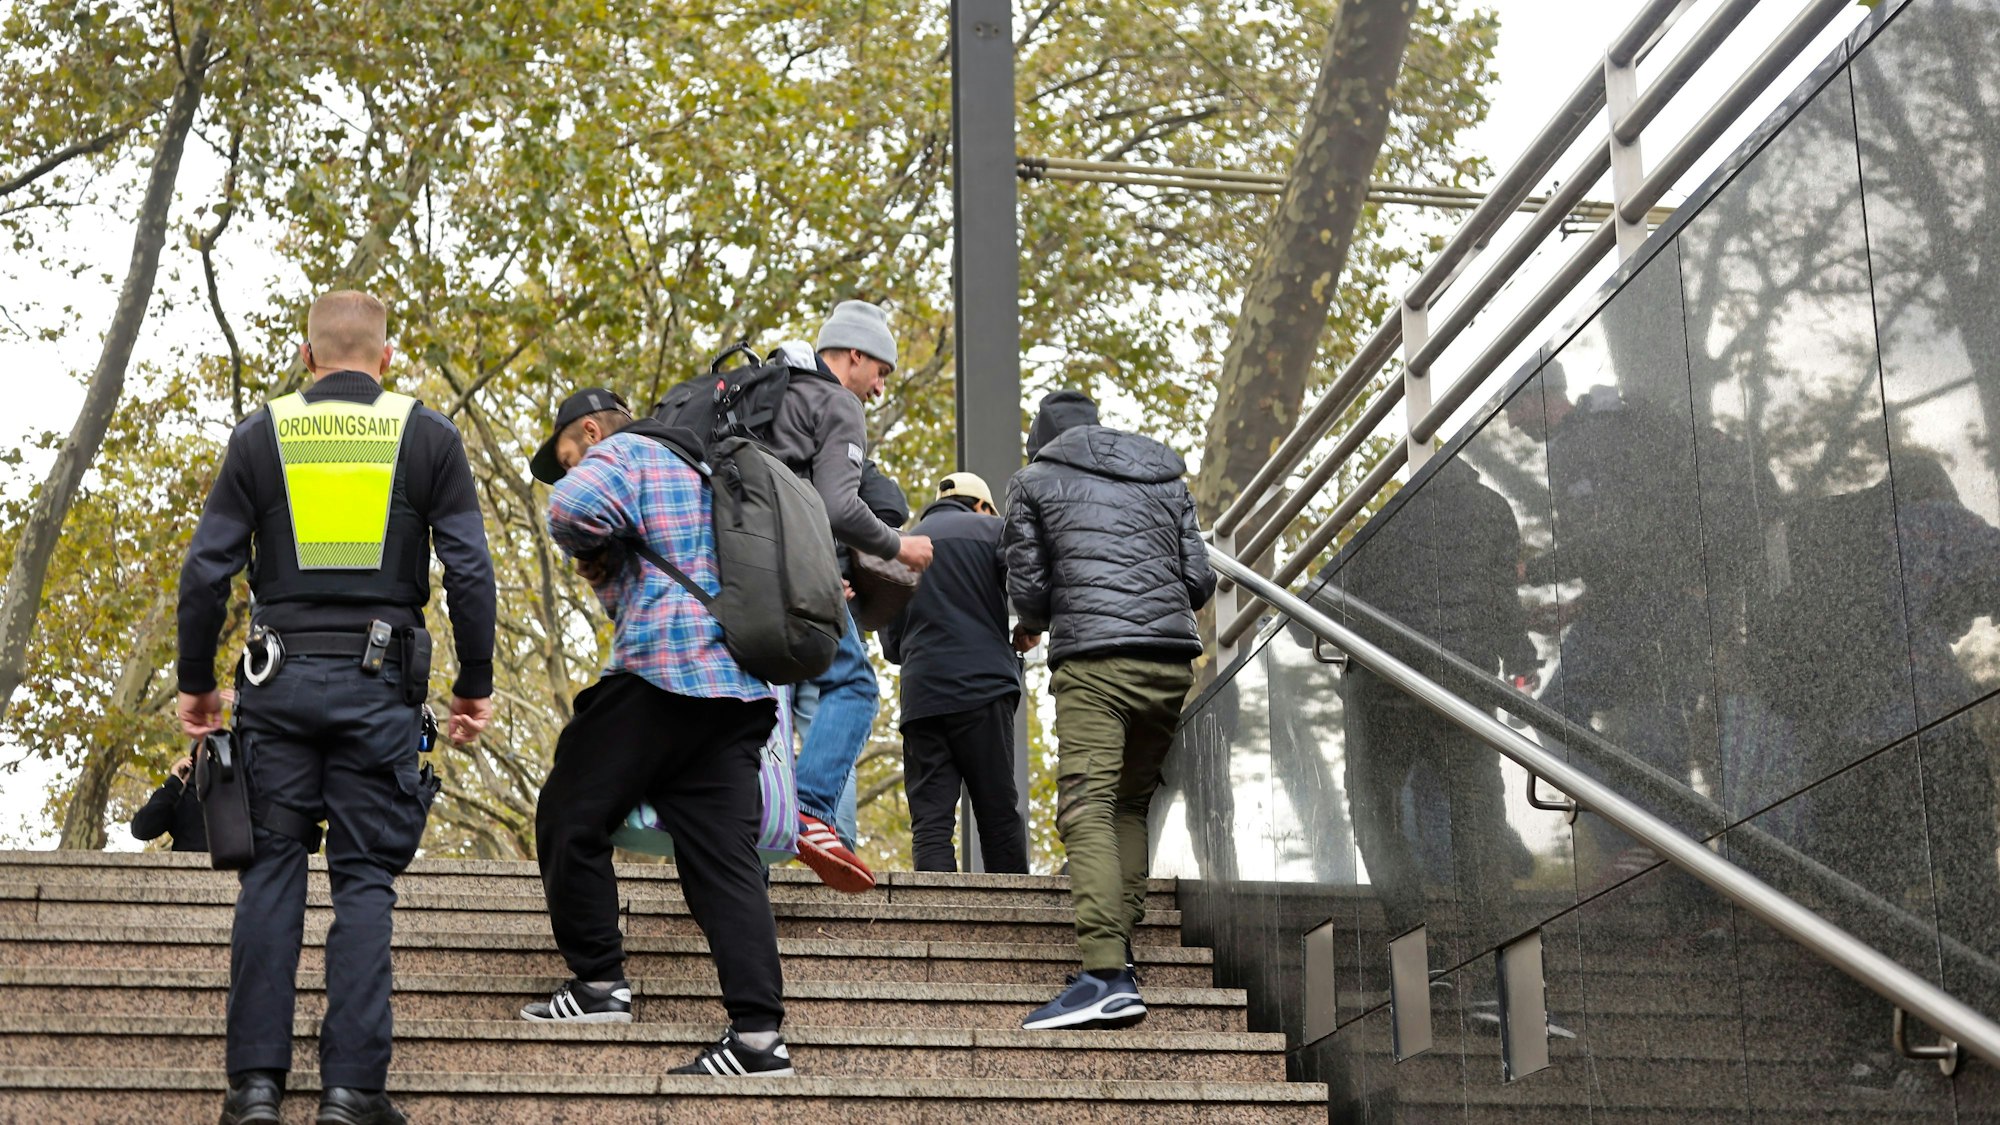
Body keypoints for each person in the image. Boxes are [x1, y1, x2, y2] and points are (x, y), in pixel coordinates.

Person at [177, 290, 496, 1125]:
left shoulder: (261, 432)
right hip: (381, 689)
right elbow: (469, 570)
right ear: (384, 358)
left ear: (308, 355)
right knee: (363, 883)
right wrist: (475, 682)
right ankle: (352, 1093)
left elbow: (206, 570)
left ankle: (253, 1090)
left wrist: (196, 682)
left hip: (275, 684)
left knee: (270, 874)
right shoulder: (426, 434)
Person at [520, 388, 793, 1078]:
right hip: (737, 690)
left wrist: (593, 542)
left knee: (568, 812)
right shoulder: (707, 470)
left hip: (663, 669)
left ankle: (599, 983)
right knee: (725, 862)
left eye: (566, 454)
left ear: (586, 429)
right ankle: (759, 1038)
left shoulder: (626, 450)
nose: (571, 467)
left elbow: (572, 508)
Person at [1002, 390, 1215, 1030]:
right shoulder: (1164, 480)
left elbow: (1029, 589)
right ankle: (1118, 951)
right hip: (1171, 658)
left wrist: (1038, 621)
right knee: (1127, 804)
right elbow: (1200, 580)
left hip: (1096, 661)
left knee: (1087, 804)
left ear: (1041, 436)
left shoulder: (1032, 481)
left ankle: (1104, 974)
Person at [764, 306, 933, 893]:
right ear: (852, 355)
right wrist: (899, 548)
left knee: (769, 709)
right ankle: (808, 809)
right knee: (854, 686)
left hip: (737, 580)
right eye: (880, 371)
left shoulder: (766, 397)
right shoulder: (836, 403)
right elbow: (838, 505)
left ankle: (749, 842)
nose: (880, 388)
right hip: (796, 579)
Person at [881, 471, 1026, 873]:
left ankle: (934, 920)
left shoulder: (901, 546)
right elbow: (1028, 585)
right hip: (984, 690)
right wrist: (1026, 630)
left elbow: (892, 645)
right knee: (998, 814)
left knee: (930, 822)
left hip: (923, 696)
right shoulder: (993, 531)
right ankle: (1015, 921)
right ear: (981, 505)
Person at [130, 751, 207, 853]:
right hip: (189, 865)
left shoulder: (234, 788)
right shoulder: (184, 794)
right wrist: (174, 784)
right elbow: (142, 829)